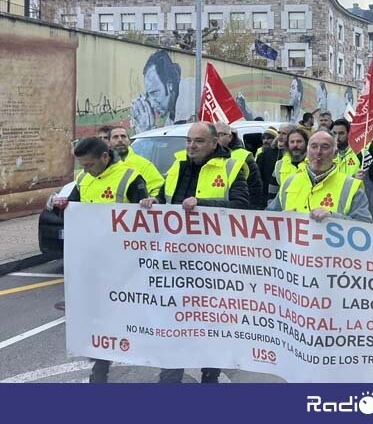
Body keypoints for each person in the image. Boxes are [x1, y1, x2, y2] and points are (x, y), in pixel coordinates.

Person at [140, 122, 248, 383]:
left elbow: (244, 207)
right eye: (189, 141)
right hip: (177, 262)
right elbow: (167, 201)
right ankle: (170, 377)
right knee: (174, 320)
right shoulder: (177, 168)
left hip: (215, 265)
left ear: (214, 143)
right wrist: (154, 203)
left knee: (210, 325)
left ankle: (209, 375)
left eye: (198, 141)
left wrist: (203, 205)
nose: (191, 146)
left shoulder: (231, 168)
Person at [54, 137, 149, 383]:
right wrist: (62, 206)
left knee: (131, 312)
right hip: (96, 262)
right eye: (82, 166)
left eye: (89, 164)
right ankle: (100, 366)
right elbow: (74, 207)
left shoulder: (130, 177)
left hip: (126, 263)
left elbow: (147, 214)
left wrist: (150, 204)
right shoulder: (84, 179)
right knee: (100, 315)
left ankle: (149, 351)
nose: (85, 170)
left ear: (105, 157)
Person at [267, 130, 372, 222]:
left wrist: (333, 218)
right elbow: (267, 218)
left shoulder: (351, 186)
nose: (318, 152)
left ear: (335, 154)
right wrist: (280, 218)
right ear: (307, 151)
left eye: (325, 147)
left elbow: (365, 226)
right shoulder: (290, 182)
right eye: (314, 146)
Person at [214, 122, 265, 209]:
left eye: (220, 135)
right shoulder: (206, 155)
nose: (216, 138)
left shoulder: (243, 156)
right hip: (212, 212)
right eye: (214, 135)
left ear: (230, 137)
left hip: (238, 211)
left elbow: (255, 188)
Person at [132, 50, 182, 133]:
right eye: (149, 96)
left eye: (155, 93)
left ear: (170, 85)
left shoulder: (187, 113)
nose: (152, 103)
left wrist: (146, 130)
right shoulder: (170, 118)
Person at [108, 126, 164, 197]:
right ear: (109, 142)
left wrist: (151, 201)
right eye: (115, 137)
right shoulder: (102, 166)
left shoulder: (144, 165)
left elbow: (158, 189)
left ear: (129, 141)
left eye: (123, 136)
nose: (120, 140)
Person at [272, 128, 308, 194]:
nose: (295, 145)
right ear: (287, 144)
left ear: (306, 143)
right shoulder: (280, 165)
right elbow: (273, 190)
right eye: (292, 142)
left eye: (299, 141)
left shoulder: (314, 164)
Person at [263, 124, 294, 200]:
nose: (280, 136)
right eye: (279, 133)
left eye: (284, 134)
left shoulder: (298, 157)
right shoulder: (267, 153)